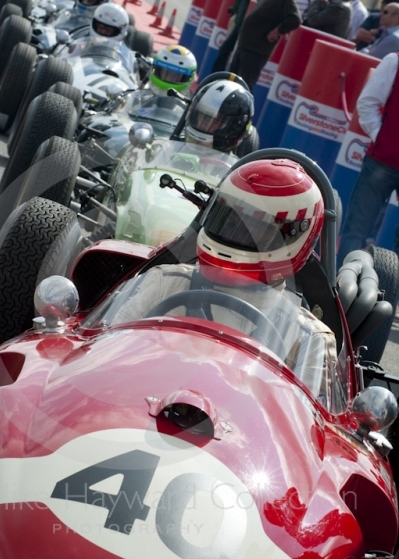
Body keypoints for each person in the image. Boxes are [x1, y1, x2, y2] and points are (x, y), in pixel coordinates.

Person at [103, 159, 335, 400]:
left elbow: (301, 429)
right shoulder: (163, 283)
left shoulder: (308, 338)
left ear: (291, 239)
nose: (233, 234)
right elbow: (100, 357)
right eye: (227, 221)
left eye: (252, 230)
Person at [337, 52, 399, 265]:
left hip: (380, 159)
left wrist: (381, 136)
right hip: (381, 160)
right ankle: (339, 290)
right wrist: (382, 136)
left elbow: (366, 104)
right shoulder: (394, 61)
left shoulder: (394, 60)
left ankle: (338, 290)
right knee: (355, 232)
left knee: (355, 231)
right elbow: (366, 104)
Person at [229, 0, 301, 91]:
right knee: (232, 84)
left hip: (256, 51)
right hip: (246, 46)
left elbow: (295, 19)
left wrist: (277, 30)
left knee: (243, 89)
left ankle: (241, 113)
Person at [211, 0, 269, 73]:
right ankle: (215, 79)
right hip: (241, 17)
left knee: (235, 56)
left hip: (249, 22)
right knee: (225, 51)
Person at [184, 77, 254, 151]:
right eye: (204, 117)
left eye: (215, 122)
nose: (204, 125)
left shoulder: (237, 162)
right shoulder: (172, 145)